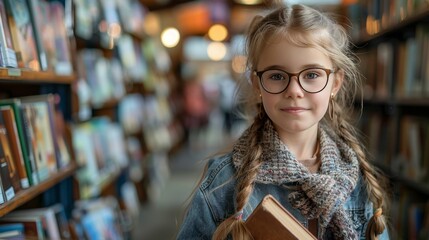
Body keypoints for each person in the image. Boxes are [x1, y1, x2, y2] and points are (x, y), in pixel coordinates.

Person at [177, 3, 389, 240]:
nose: (295, 91)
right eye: (277, 76)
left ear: (335, 83)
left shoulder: (357, 177)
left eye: (311, 75)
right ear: (257, 84)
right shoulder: (223, 184)